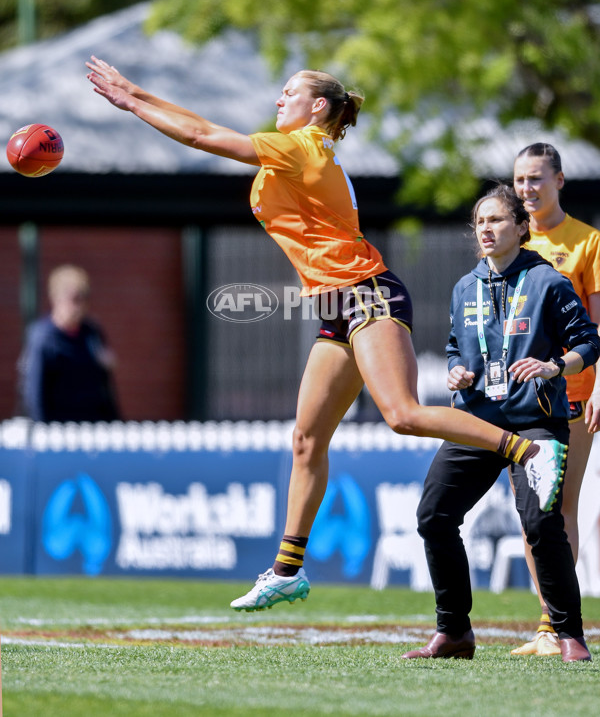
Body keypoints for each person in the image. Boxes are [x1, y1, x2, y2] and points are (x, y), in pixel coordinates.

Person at [86, 57, 567, 611]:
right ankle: (287, 570)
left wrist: (130, 103)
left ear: (318, 107)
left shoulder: (304, 147)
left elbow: (199, 135)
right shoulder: (290, 153)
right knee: (306, 440)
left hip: (368, 292)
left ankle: (526, 450)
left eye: (289, 92)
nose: (277, 101)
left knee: (403, 414)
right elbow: (200, 123)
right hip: (339, 304)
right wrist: (136, 91)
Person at [402, 185, 600, 663]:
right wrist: (456, 370)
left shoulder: (548, 282)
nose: (485, 230)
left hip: (535, 423)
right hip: (477, 421)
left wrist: (556, 367)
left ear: (521, 227)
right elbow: (456, 346)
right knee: (434, 516)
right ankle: (454, 633)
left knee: (540, 522)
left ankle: (570, 635)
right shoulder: (463, 287)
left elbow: (589, 343)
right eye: (479, 222)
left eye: (496, 220)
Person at [510, 143, 600, 656]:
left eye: (537, 179)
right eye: (520, 180)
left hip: (573, 393)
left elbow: (599, 327)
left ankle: (561, 624)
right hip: (517, 400)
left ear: (560, 181)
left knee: (559, 509)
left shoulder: (587, 243)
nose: (527, 189)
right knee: (528, 510)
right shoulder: (505, 240)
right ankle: (546, 627)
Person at [19, 265, 120, 422]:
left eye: (83, 299)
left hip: (92, 425)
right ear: (56, 299)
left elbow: (105, 385)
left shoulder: (91, 333)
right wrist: (42, 430)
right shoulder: (43, 337)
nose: (78, 307)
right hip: (59, 429)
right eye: (73, 300)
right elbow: (34, 391)